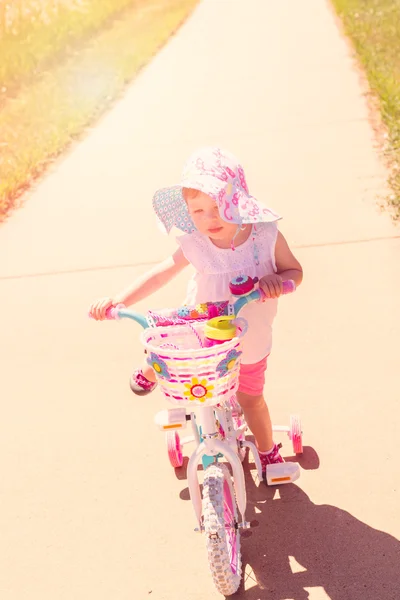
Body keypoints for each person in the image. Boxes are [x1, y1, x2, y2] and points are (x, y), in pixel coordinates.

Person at [89, 147, 303, 473]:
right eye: (198, 210)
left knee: (251, 400)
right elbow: (161, 273)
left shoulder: (265, 237)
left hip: (250, 339)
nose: (209, 218)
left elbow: (295, 272)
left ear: (239, 204)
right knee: (178, 354)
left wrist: (278, 280)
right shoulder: (196, 243)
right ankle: (152, 368)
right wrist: (120, 301)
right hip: (201, 329)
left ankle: (267, 451)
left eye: (219, 207)